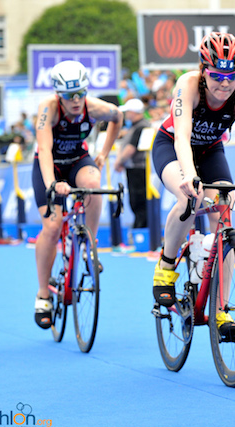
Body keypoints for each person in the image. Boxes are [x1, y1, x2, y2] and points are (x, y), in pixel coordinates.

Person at [150, 32, 235, 341]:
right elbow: (182, 138)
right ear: (203, 70)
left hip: (211, 150)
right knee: (190, 199)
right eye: (216, 76)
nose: (224, 84)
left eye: (231, 76)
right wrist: (188, 176)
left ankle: (220, 307)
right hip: (172, 146)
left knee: (223, 215)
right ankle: (166, 266)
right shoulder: (187, 85)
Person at [33, 60, 123, 329]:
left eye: (80, 94)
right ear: (58, 95)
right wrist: (52, 184)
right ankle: (43, 294)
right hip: (50, 165)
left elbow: (118, 118)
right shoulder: (47, 110)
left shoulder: (95, 107)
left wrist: (104, 153)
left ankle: (87, 245)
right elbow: (45, 151)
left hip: (77, 160)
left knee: (93, 182)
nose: (76, 101)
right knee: (52, 225)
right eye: (69, 96)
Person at [115, 98, 149, 229]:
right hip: (135, 168)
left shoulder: (140, 127)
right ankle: (139, 226)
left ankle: (140, 228)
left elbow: (131, 148)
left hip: (138, 169)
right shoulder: (137, 126)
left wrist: (119, 161)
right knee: (136, 200)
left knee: (138, 199)